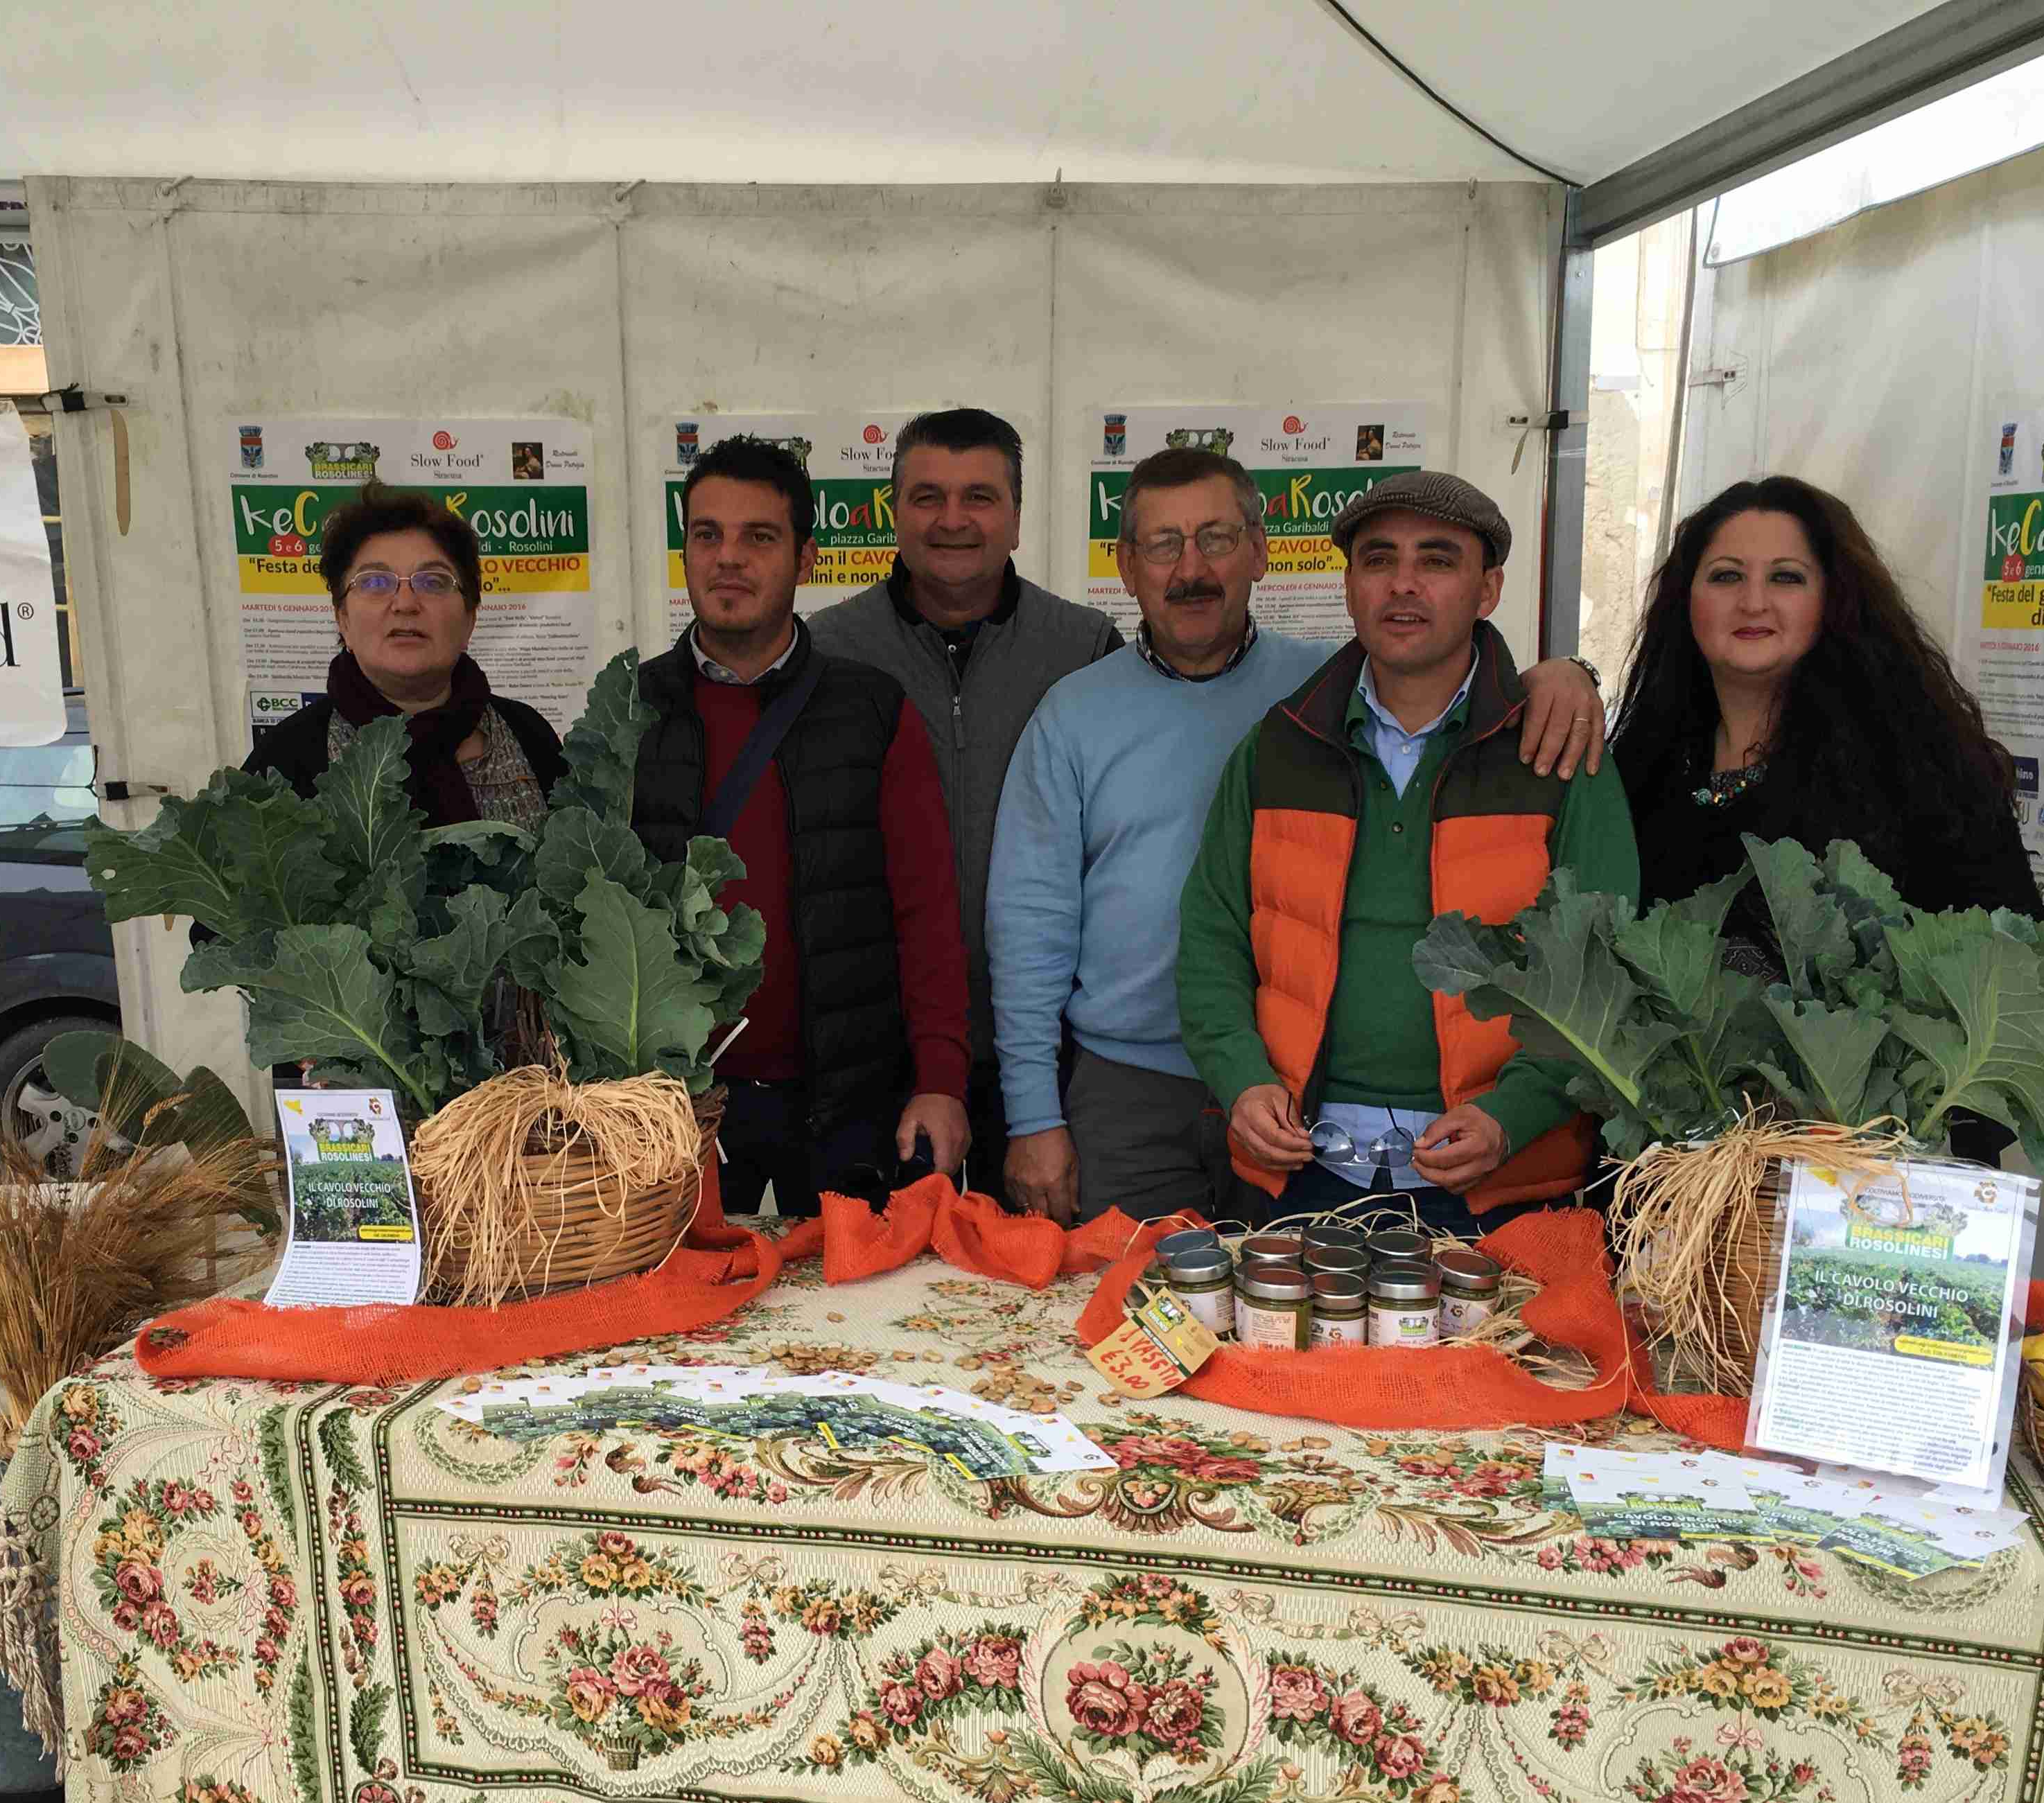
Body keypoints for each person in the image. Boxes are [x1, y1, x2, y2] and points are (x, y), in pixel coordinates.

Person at [986, 451, 1612, 1226]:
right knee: (1154, 1327)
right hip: (1164, 1099)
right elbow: (1052, 932)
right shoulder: (1236, 729)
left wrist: (1566, 672)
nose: (1191, 569)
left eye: (1216, 539)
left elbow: (1602, 967)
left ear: (1261, 550)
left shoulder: (1330, 700)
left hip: (1406, 1147)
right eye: (1162, 544)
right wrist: (1035, 1114)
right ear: (1124, 564)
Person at [1178, 470, 1641, 1231]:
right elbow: (1211, 940)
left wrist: (1511, 1114)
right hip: (1298, 1177)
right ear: (1350, 586)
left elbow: (1603, 968)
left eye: (1437, 560)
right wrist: (1242, 1082)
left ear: (1487, 590)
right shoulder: (1279, 747)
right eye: (1378, 559)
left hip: (1502, 1186)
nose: (1403, 585)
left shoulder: (1555, 754)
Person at [1610, 475, 2044, 1159]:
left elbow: (2019, 976)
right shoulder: (1638, 775)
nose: (1753, 601)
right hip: (1681, 1195)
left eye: (1787, 578)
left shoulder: (1923, 774)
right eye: (1726, 575)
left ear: (1833, 601)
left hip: (1874, 1198)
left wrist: (1900, 1140)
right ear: (1684, 601)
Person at [634, 437, 972, 1216]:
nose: (729, 559)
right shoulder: (629, 712)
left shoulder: (872, 709)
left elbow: (926, 915)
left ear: (807, 557)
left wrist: (940, 1082)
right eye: (707, 535)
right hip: (678, 1114)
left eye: (760, 537)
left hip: (849, 1108)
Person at [807, 409, 1120, 1198]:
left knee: (1039, 1291)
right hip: (881, 1051)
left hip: (1056, 1053)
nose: (952, 520)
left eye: (979, 497)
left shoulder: (1084, 648)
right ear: (892, 512)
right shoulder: (826, 654)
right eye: (926, 497)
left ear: (1017, 515)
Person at [244, 485, 565, 820]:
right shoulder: (282, 762)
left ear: (470, 619)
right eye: (374, 582)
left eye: (433, 582)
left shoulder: (530, 735)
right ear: (343, 620)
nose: (406, 604)